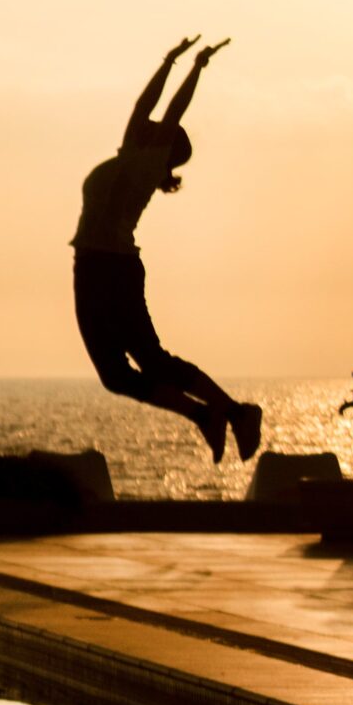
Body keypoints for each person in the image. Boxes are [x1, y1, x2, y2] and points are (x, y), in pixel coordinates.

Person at [72, 37, 261, 463]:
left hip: (114, 268)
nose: (148, 123)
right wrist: (168, 61)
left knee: (152, 361)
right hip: (88, 265)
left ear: (165, 149)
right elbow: (144, 104)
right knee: (116, 376)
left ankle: (235, 412)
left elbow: (173, 110)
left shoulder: (147, 165)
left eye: (158, 129)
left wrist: (195, 68)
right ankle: (206, 415)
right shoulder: (128, 154)